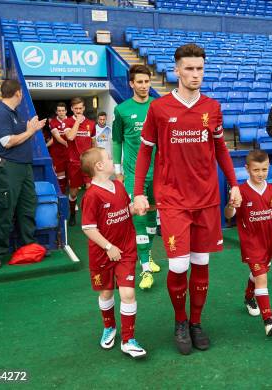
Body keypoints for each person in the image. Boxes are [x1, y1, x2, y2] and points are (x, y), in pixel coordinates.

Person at [133, 43, 241, 355]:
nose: (196, 75)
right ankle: (180, 321)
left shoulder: (213, 107)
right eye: (190, 69)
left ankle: (196, 322)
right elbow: (145, 151)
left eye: (200, 69)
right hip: (173, 200)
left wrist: (233, 184)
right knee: (178, 265)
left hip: (207, 199)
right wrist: (138, 191)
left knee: (201, 261)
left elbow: (221, 148)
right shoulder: (159, 108)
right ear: (177, 70)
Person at [80, 147, 146, 359]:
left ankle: (128, 340)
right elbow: (88, 228)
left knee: (128, 293)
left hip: (126, 250)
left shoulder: (118, 185)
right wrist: (109, 247)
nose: (112, 160)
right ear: (99, 166)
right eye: (109, 158)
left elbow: (126, 209)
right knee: (106, 292)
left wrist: (136, 208)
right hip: (103, 254)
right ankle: (109, 327)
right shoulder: (91, 196)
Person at [224, 150, 272, 336]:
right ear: (247, 169)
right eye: (256, 170)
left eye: (264, 169)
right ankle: (268, 320)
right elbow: (228, 216)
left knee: (259, 272)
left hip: (268, 242)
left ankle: (248, 298)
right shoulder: (241, 191)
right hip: (251, 243)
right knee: (261, 277)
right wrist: (231, 205)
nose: (260, 173)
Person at [0, 79, 46, 269]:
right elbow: (7, 142)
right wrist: (30, 131)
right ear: (18, 93)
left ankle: (27, 246)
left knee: (27, 207)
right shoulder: (0, 114)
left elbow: (21, 134)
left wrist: (31, 128)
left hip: (24, 167)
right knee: (6, 210)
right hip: (7, 167)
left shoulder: (14, 114)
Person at [112, 64, 161, 290]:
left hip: (158, 174)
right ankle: (145, 269)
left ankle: (147, 254)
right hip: (134, 175)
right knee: (139, 218)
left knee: (152, 220)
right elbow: (116, 140)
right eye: (139, 82)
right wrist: (118, 170)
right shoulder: (122, 110)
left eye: (146, 82)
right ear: (131, 84)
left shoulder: (158, 106)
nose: (143, 86)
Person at [64, 97, 96, 226]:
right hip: (74, 163)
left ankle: (90, 217)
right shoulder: (67, 122)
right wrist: (77, 121)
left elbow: (93, 142)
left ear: (84, 108)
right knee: (73, 192)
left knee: (91, 189)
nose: (78, 111)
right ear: (72, 109)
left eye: (80, 108)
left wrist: (95, 157)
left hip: (88, 163)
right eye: (75, 108)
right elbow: (70, 137)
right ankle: (72, 213)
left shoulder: (91, 123)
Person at [48, 102, 70, 195]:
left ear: (66, 111)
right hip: (57, 154)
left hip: (69, 153)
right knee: (60, 176)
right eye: (59, 111)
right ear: (56, 112)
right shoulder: (52, 122)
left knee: (70, 176)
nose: (61, 112)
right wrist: (67, 144)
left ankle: (70, 198)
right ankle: (62, 197)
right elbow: (56, 138)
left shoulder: (71, 121)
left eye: (63, 111)